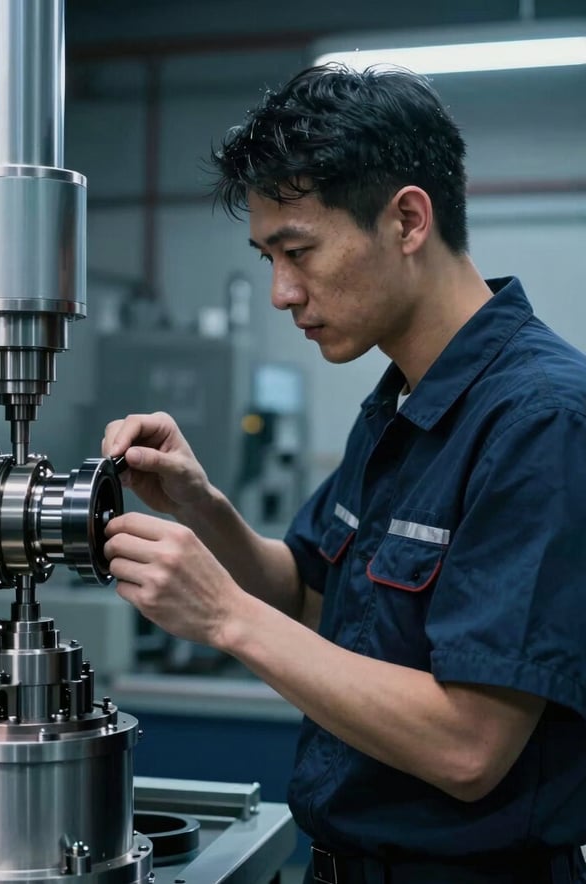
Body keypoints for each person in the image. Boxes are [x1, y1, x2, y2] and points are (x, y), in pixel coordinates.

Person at [101, 64, 586, 884]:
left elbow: (469, 747)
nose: (283, 293)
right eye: (267, 257)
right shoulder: (400, 401)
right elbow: (311, 594)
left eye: (299, 251)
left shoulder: (538, 419)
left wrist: (223, 619)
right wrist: (202, 504)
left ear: (406, 220)